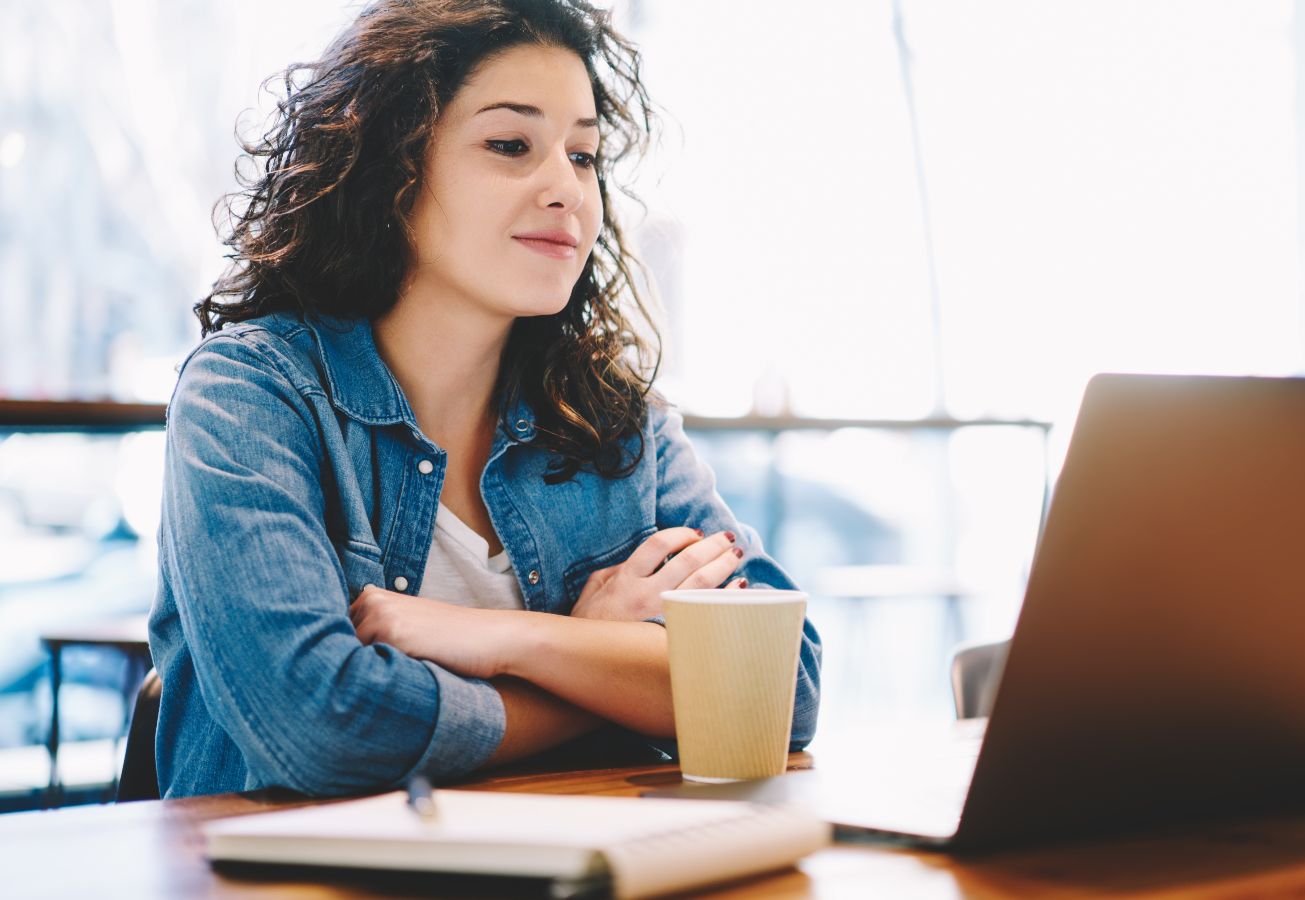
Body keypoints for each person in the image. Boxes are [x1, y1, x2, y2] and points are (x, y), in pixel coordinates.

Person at [149, 0, 821, 799]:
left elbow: (781, 685)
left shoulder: (613, 418)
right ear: (387, 170)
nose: (566, 189)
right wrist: (594, 661)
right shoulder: (249, 394)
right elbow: (326, 728)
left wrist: (504, 638)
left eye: (583, 155)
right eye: (511, 145)